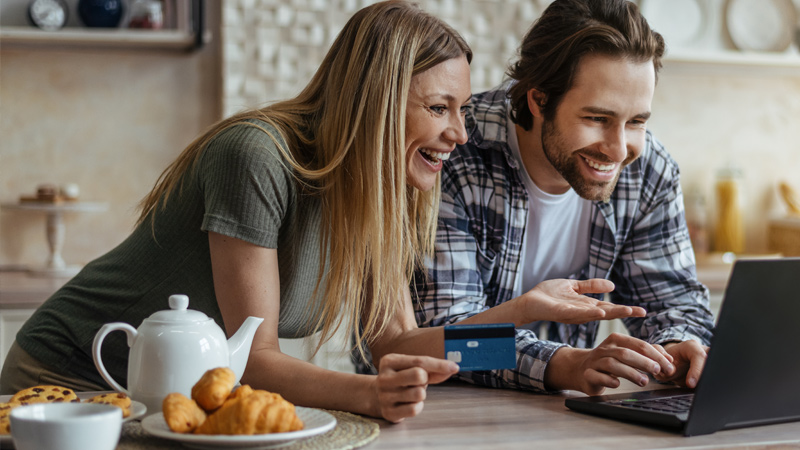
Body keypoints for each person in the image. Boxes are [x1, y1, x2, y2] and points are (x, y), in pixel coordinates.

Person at [0, 1, 644, 422]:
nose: (461, 133)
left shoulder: (387, 192)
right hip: (70, 378)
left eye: (462, 109)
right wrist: (368, 394)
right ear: (379, 100)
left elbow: (397, 343)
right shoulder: (255, 156)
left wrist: (519, 314)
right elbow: (250, 358)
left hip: (167, 397)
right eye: (439, 108)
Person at [412, 0, 715, 396]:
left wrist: (679, 346)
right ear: (539, 101)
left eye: (637, 121)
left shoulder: (648, 170)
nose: (619, 149)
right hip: (435, 411)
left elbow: (674, 301)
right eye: (597, 119)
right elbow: (447, 340)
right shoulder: (452, 151)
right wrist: (565, 363)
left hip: (558, 414)